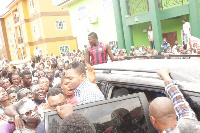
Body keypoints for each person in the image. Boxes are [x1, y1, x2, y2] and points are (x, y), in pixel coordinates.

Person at [149, 68, 200, 133]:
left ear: (153, 120)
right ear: (176, 112)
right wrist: (164, 75)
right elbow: (179, 99)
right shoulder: (189, 123)